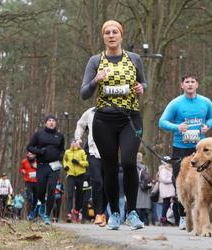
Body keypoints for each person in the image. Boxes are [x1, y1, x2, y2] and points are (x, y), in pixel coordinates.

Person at [80, 20, 147, 230]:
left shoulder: (134, 59)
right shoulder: (95, 61)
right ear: (103, 37)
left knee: (128, 162)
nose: (111, 35)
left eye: (114, 32)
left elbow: (143, 83)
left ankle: (133, 213)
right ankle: (115, 214)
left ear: (121, 35)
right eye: (107, 33)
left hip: (130, 118)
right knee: (109, 168)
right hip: (103, 121)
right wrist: (96, 80)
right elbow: (84, 93)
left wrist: (141, 87)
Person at [159, 73, 212, 230]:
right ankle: (182, 217)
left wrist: (207, 126)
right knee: (180, 183)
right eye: (187, 82)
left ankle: (199, 216)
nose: (190, 84)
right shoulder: (176, 104)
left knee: (202, 182)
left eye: (193, 82)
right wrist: (177, 127)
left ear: (197, 84)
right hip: (180, 149)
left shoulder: (206, 102)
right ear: (182, 85)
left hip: (199, 150)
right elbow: (162, 122)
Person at [26, 115, 65, 225]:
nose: (51, 122)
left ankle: (47, 215)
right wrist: (39, 151)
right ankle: (42, 203)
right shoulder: (39, 135)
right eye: (49, 121)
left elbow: (62, 149)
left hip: (55, 166)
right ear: (45, 123)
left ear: (55, 123)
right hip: (42, 165)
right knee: (40, 190)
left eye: (53, 121)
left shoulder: (60, 136)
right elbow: (29, 147)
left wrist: (61, 156)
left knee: (52, 189)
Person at [74, 107, 107, 226]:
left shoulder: (116, 110)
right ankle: (98, 213)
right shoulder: (90, 112)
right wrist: (78, 138)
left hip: (109, 153)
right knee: (97, 182)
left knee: (107, 185)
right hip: (93, 152)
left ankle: (103, 212)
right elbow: (80, 124)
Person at [63, 138, 89, 223]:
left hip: (80, 175)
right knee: (70, 194)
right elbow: (65, 160)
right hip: (71, 175)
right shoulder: (67, 152)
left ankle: (77, 210)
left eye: (75, 143)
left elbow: (86, 163)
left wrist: (78, 162)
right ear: (70, 144)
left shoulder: (81, 152)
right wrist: (65, 166)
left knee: (79, 195)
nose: (74, 144)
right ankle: (69, 214)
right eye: (72, 143)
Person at [20, 151, 38, 220]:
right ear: (27, 154)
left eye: (32, 154)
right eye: (29, 154)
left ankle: (33, 212)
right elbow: (22, 168)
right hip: (28, 182)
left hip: (36, 182)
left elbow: (42, 170)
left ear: (34, 155)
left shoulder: (38, 161)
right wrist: (23, 171)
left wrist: (36, 167)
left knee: (35, 199)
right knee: (29, 198)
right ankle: (29, 214)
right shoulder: (24, 161)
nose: (30, 155)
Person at [136, 152, 152, 226]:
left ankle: (138, 222)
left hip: (138, 189)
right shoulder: (145, 167)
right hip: (145, 189)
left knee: (137, 207)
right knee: (144, 209)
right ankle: (145, 223)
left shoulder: (134, 166)